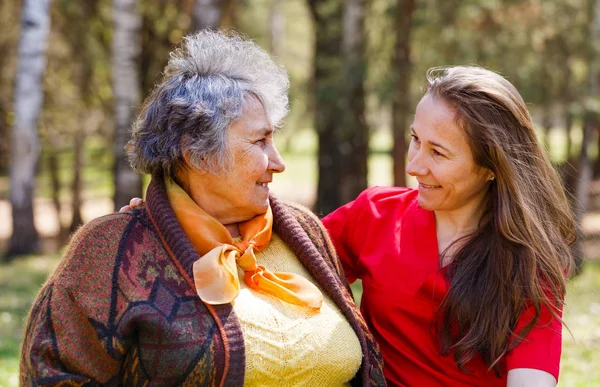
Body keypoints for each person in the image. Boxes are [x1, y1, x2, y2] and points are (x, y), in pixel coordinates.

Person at [20, 30, 385, 386]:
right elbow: (52, 373)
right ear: (198, 153)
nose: (278, 162)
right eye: (260, 141)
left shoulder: (303, 231)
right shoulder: (110, 250)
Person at [322, 66, 575, 386]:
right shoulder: (374, 215)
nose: (414, 166)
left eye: (438, 153)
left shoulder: (529, 262)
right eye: (415, 139)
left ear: (491, 167)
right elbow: (284, 264)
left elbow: (532, 377)